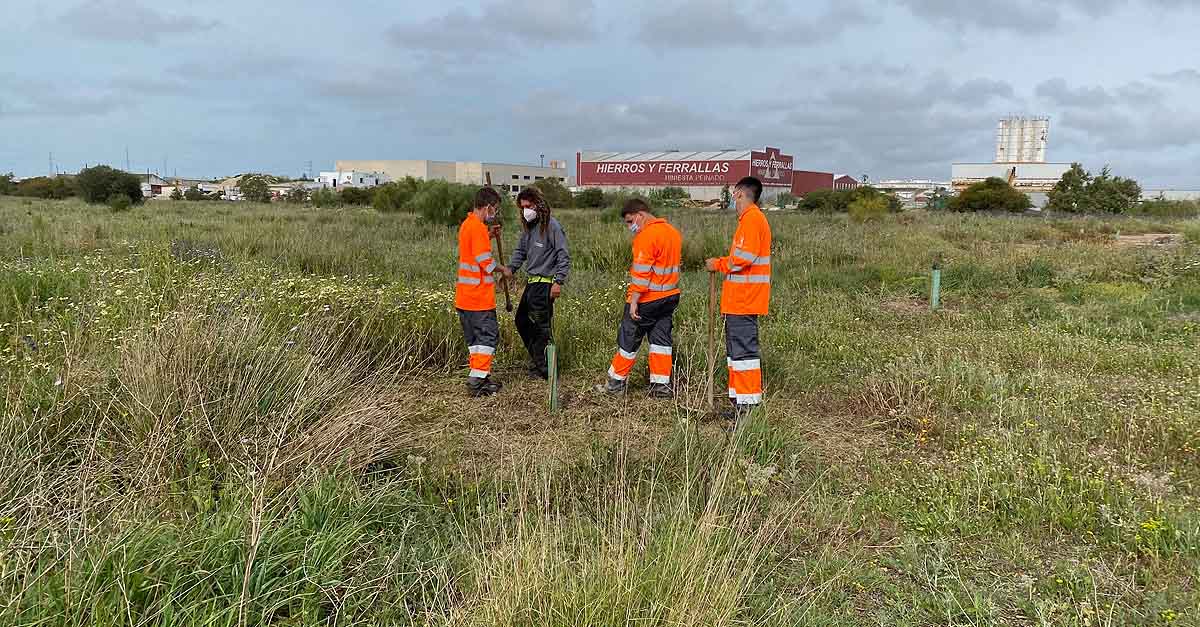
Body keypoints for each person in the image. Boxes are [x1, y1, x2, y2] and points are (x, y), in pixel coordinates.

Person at [596, 198, 682, 398]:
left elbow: (642, 274)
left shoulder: (646, 236)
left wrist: (634, 301)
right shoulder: (672, 233)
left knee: (628, 339)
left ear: (640, 215)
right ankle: (660, 387)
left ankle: (616, 384)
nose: (629, 227)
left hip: (647, 299)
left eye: (629, 221)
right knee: (661, 341)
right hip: (669, 297)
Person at [705, 176, 771, 422]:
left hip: (745, 301)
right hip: (737, 301)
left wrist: (717, 264)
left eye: (734, 194)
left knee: (744, 356)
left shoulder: (752, 220)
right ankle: (739, 405)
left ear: (740, 194)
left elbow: (743, 258)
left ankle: (748, 410)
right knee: (736, 355)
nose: (733, 199)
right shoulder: (748, 220)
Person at [501, 187, 570, 380]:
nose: (525, 210)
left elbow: (563, 255)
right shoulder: (529, 229)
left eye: (528, 206)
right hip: (532, 284)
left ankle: (547, 370)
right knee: (521, 321)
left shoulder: (552, 226)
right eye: (522, 207)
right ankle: (540, 361)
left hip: (545, 284)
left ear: (538, 204)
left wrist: (558, 282)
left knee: (542, 328)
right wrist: (510, 269)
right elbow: (520, 251)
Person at [455, 187, 505, 397]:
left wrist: (489, 235)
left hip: (465, 298)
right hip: (479, 299)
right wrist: (505, 270)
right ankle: (476, 382)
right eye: (495, 209)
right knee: (487, 339)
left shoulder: (469, 225)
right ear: (487, 207)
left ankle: (480, 377)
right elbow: (485, 261)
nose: (495, 213)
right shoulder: (477, 228)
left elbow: (475, 248)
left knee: (476, 342)